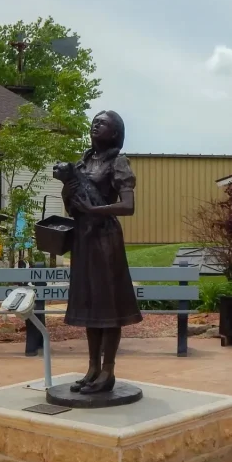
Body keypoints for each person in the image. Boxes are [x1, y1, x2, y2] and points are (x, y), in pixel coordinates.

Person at [55, 110, 142, 394]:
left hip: (105, 239)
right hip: (84, 239)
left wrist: (95, 210)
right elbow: (73, 205)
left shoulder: (118, 162)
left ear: (115, 133)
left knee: (108, 306)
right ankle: (92, 368)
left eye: (102, 123)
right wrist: (67, 187)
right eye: (94, 121)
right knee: (90, 305)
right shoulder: (83, 161)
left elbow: (127, 206)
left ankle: (108, 370)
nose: (95, 124)